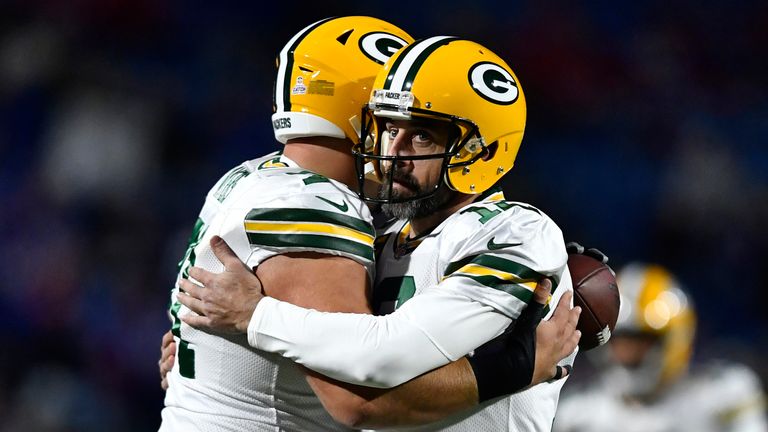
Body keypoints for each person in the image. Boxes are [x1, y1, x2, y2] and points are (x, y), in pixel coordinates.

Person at [160, 18, 578, 431]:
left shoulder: (514, 233)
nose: (390, 153)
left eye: (421, 137)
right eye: (388, 128)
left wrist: (254, 318)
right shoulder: (379, 229)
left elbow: (370, 377)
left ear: (480, 152)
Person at [554, 262, 768, 432]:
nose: (626, 353)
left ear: (676, 340)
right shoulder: (578, 414)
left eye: (641, 342)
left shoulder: (723, 397)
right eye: (619, 341)